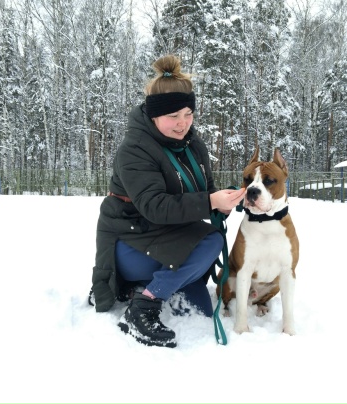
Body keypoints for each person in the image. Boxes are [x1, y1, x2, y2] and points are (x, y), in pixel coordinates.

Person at [90, 54, 246, 348]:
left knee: (200, 306)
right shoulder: (134, 149)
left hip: (166, 236)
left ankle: (152, 285)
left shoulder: (193, 145)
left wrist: (224, 201)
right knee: (210, 242)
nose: (182, 123)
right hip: (129, 240)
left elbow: (206, 192)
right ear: (154, 115)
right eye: (173, 116)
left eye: (188, 113)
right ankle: (142, 306)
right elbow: (155, 206)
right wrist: (210, 201)